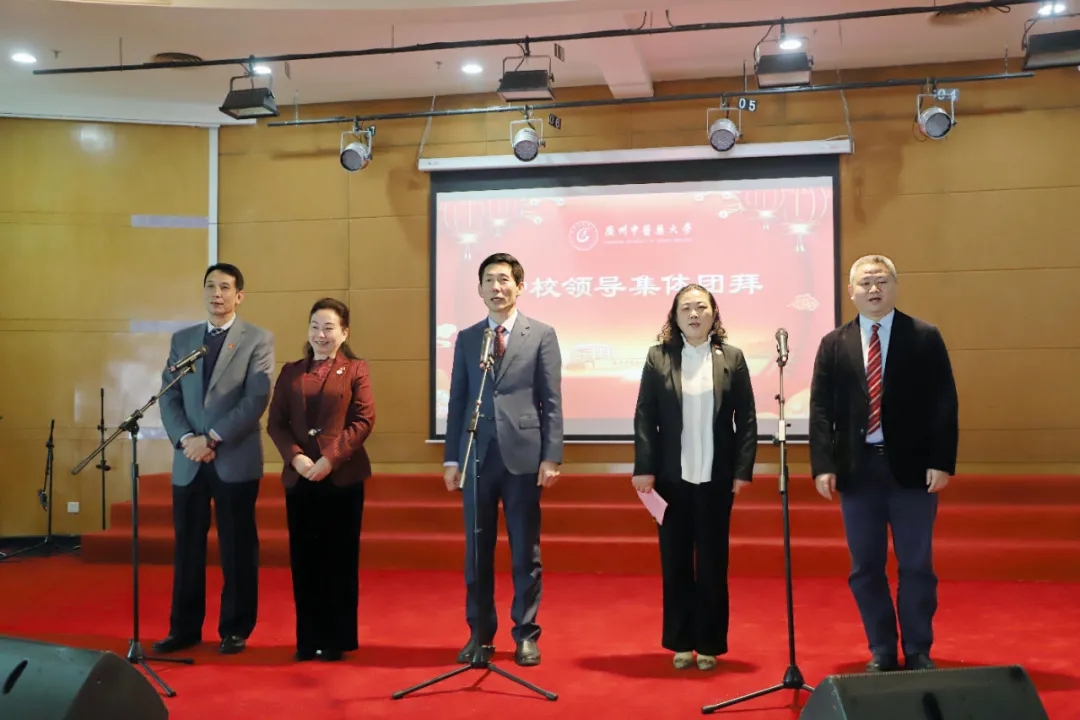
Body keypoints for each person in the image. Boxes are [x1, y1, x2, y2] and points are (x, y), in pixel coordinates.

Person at [809, 254, 958, 673]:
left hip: (913, 470)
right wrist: (823, 464)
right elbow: (820, 409)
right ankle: (881, 649)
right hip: (857, 471)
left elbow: (944, 402)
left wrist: (941, 461)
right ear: (851, 291)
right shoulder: (834, 343)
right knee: (865, 568)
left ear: (895, 286)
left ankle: (918, 648)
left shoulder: (924, 337)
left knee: (916, 564)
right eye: (865, 283)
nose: (873, 289)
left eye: (881, 281)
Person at [443, 252, 563, 667]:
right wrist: (452, 458)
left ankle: (526, 634)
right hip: (477, 456)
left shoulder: (541, 334)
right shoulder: (468, 338)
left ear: (519, 286)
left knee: (524, 551)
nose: (497, 287)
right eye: (489, 280)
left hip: (524, 457)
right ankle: (479, 633)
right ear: (479, 289)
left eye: (504, 280)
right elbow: (458, 402)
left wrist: (552, 456)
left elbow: (551, 400)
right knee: (477, 551)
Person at [631, 284, 758, 671]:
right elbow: (645, 416)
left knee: (714, 564)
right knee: (675, 563)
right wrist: (644, 468)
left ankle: (710, 644)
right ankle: (681, 642)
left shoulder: (731, 357)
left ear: (713, 313)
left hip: (716, 478)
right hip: (672, 479)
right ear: (675, 316)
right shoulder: (658, 357)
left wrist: (742, 469)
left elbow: (747, 419)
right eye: (685, 308)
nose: (694, 314)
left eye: (701, 307)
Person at [154, 263, 275, 656]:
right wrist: (187, 439)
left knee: (237, 547)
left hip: (234, 457)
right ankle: (184, 629)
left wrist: (213, 438)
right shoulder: (183, 339)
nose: (216, 294)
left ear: (239, 296)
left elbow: (255, 399)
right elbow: (169, 395)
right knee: (187, 546)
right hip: (189, 459)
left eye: (225, 287)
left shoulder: (258, 339)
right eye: (210, 286)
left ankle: (235, 628)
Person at [266, 298, 375, 662]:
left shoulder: (356, 369)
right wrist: (296, 457)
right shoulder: (291, 371)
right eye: (315, 326)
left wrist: (330, 458)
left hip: (341, 478)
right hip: (300, 478)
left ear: (344, 333)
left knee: (339, 560)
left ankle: (335, 640)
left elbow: (363, 420)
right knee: (304, 560)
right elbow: (276, 423)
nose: (321, 334)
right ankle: (307, 638)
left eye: (329, 328)